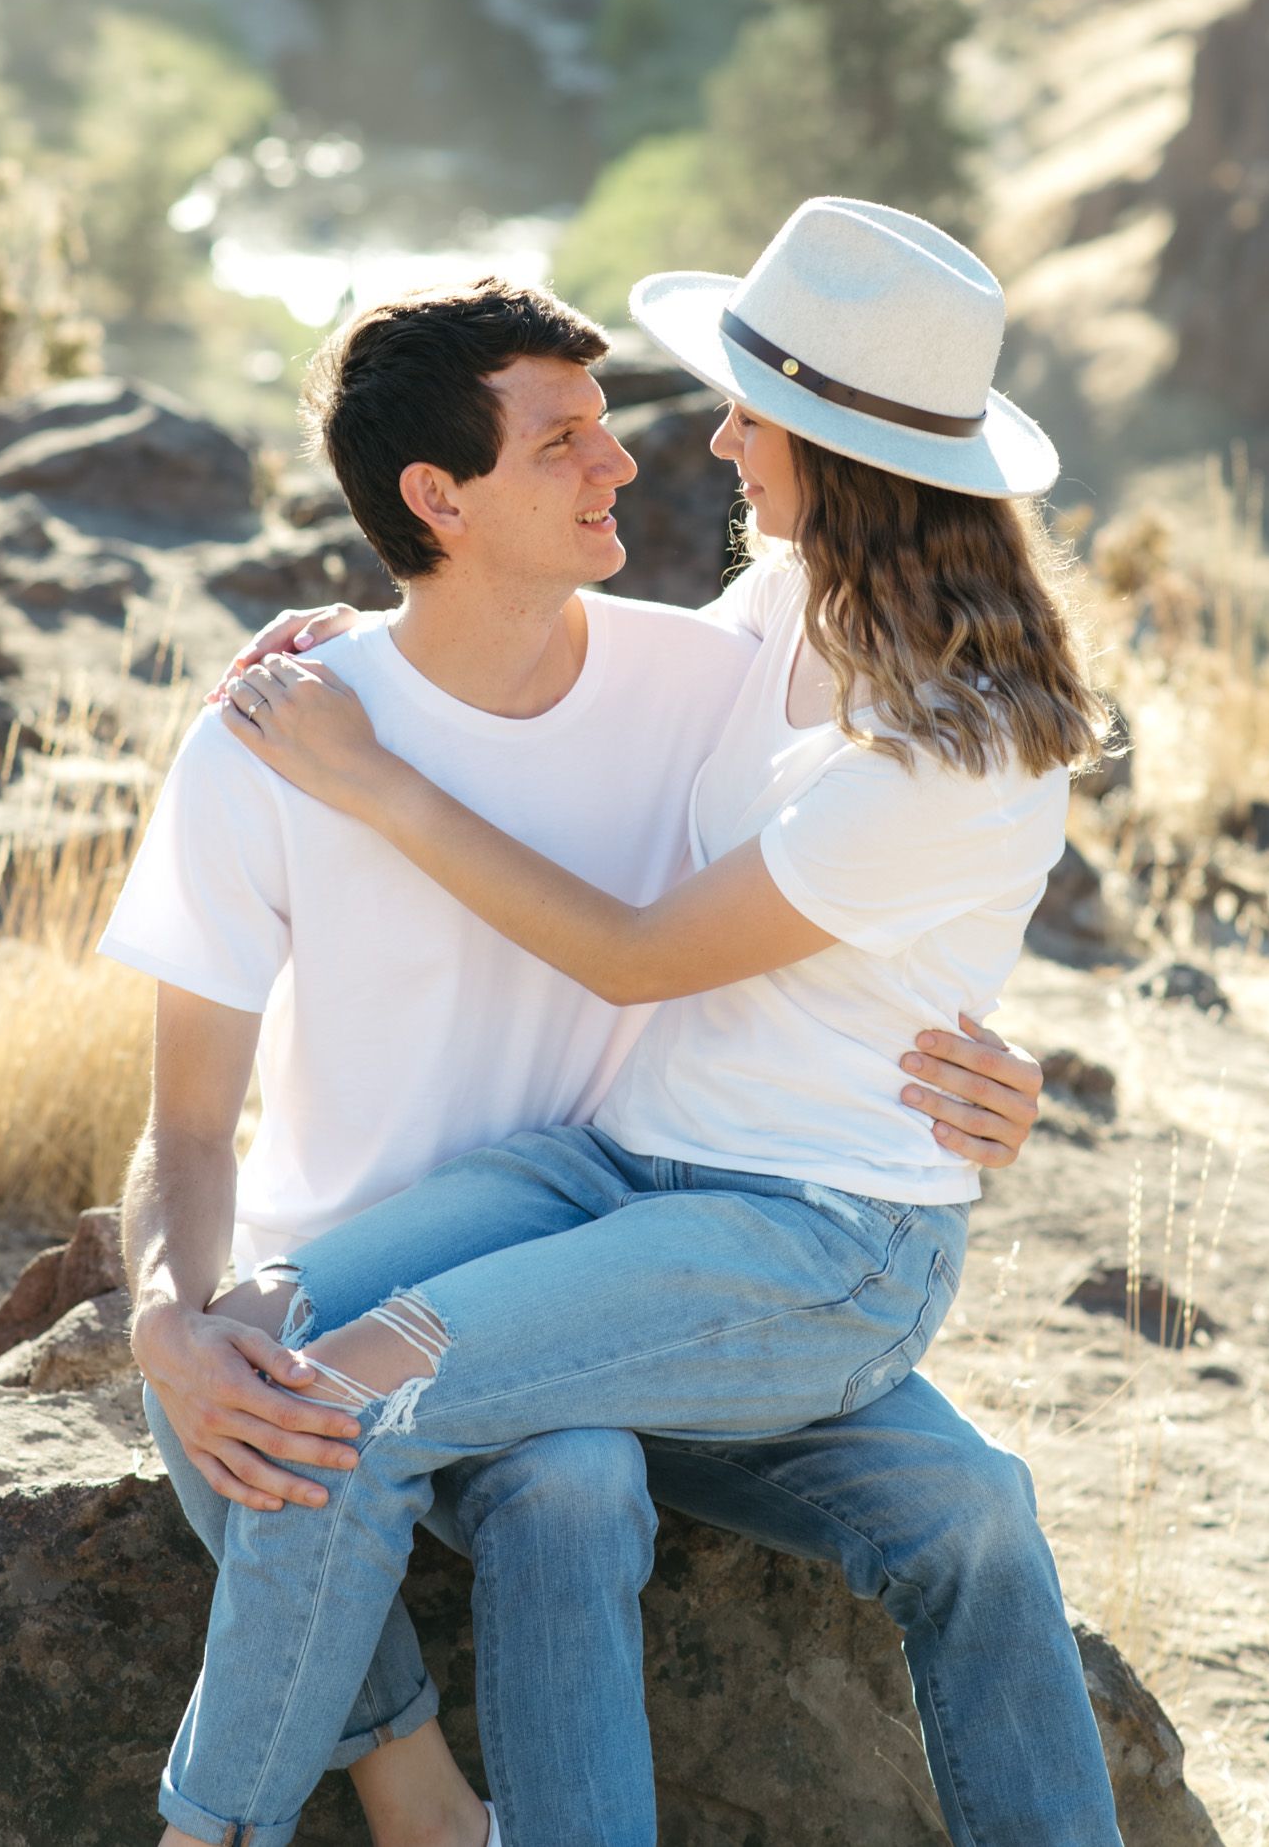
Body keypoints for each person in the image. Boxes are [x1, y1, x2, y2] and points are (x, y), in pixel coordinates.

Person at [106, 199, 1122, 1847]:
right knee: (233, 1350)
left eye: (750, 413)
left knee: (340, 1399)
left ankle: (205, 1827)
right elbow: (540, 658)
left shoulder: (953, 742)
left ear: (846, 452)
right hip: (615, 1180)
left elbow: (643, 956)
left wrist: (375, 778)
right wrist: (353, 656)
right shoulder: (786, 601)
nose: (701, 443)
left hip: (807, 1237)